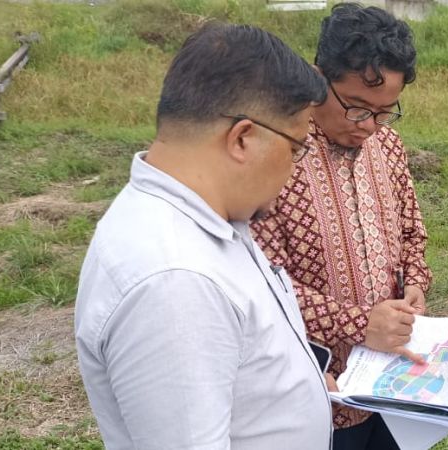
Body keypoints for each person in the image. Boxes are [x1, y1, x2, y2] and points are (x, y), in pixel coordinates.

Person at [74, 23, 333, 448]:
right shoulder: (175, 282)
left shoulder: (207, 217)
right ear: (243, 139)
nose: (295, 168)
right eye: (297, 148)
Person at [250, 3, 428, 448]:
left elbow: (412, 234)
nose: (369, 126)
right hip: (318, 385)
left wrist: (416, 281)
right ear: (317, 78)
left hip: (390, 380)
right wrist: (359, 322)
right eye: (357, 108)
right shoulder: (279, 155)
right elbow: (265, 285)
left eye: (385, 111)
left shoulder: (387, 146)